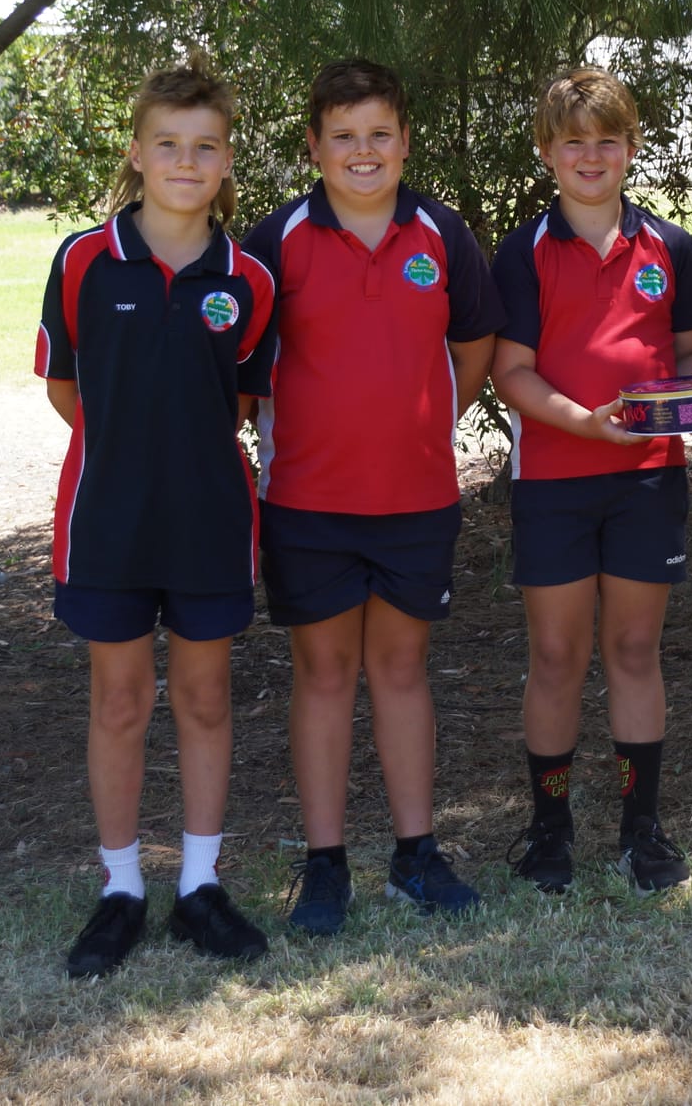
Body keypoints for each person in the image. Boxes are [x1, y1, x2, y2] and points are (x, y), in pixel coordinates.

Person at [242, 60, 504, 927]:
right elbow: (242, 369)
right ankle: (325, 864)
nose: (363, 151)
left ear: (404, 141)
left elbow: (473, 346)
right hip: (308, 503)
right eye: (343, 135)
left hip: (415, 498)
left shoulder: (442, 234)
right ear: (314, 144)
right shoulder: (274, 242)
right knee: (322, 674)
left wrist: (427, 419)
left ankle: (414, 854)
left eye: (379, 134)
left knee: (399, 669)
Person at [36, 56, 277, 977]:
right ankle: (122, 888)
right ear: (137, 154)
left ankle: (202, 885)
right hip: (108, 521)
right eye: (168, 145)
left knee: (207, 698)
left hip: (211, 519)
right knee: (121, 700)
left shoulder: (248, 276)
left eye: (204, 147)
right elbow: (68, 390)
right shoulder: (84, 260)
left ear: (224, 160)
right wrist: (132, 450)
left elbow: (245, 401)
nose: (186, 161)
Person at [491, 67, 692, 895]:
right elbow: (509, 373)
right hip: (554, 478)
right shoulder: (521, 253)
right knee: (556, 654)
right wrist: (583, 422)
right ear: (549, 153)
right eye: (575, 142)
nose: (593, 155)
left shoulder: (669, 247)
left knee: (632, 648)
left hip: (649, 480)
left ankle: (640, 827)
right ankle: (550, 830)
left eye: (608, 140)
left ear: (630, 148)